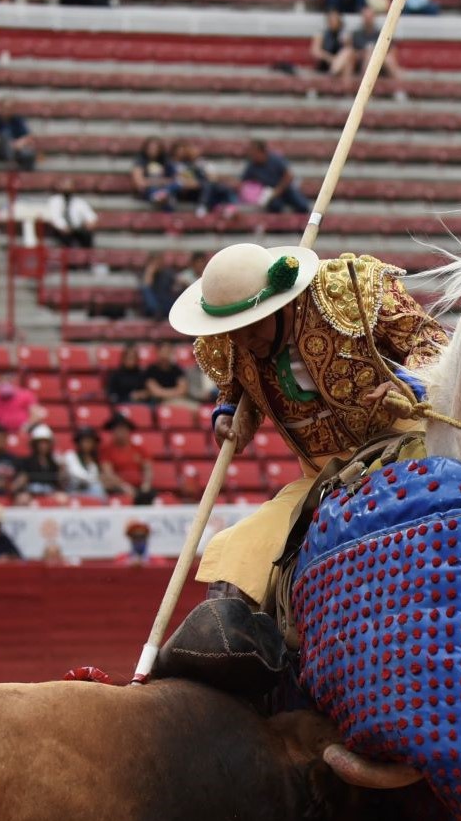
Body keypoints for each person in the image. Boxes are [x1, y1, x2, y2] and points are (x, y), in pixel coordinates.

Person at [170, 241, 445, 605]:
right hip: (320, 479)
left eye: (251, 326)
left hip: (400, 450)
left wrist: (408, 382)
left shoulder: (348, 290)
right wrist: (228, 416)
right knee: (238, 560)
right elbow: (235, 392)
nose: (242, 340)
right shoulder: (232, 343)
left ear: (280, 304)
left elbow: (431, 340)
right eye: (232, 330)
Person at [240, 140, 310, 214]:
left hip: (285, 190)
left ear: (261, 151)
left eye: (253, 153)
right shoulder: (252, 166)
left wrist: (277, 191)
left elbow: (289, 176)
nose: (251, 155)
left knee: (302, 205)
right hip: (269, 194)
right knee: (275, 207)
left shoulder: (275, 160)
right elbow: (243, 182)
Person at [100, 412, 154, 505]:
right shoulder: (107, 450)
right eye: (117, 429)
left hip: (139, 488)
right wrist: (124, 486)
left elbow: (148, 468)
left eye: (123, 429)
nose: (120, 433)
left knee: (149, 496)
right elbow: (108, 473)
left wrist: (146, 485)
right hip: (119, 488)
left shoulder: (139, 449)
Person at [0, 99, 38, 171]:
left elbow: (28, 136)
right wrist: (3, 142)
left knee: (28, 154)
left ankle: (24, 174)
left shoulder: (17, 119)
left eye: (10, 108)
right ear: (1, 108)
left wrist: (19, 143)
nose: (8, 110)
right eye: (6, 108)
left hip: (16, 151)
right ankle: (11, 163)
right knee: (5, 135)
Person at [44, 181, 98, 249]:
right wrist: (63, 227)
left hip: (76, 230)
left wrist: (90, 222)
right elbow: (54, 217)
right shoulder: (54, 201)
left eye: (69, 187)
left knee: (87, 234)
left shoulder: (79, 202)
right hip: (60, 231)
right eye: (65, 187)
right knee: (64, 236)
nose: (67, 190)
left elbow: (90, 215)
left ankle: (87, 253)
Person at [131, 137, 177, 212]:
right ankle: (160, 196)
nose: (153, 150)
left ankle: (162, 195)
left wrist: (150, 181)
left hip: (164, 188)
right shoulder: (140, 161)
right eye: (150, 148)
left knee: (175, 186)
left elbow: (173, 179)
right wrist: (161, 181)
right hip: (149, 190)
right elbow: (140, 183)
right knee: (157, 192)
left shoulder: (165, 160)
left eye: (156, 148)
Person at [18, 424, 64, 497]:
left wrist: (61, 469)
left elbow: (59, 484)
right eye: (40, 442)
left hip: (50, 493)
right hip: (32, 493)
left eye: (46, 442)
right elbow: (21, 482)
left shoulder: (54, 462)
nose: (43, 445)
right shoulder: (27, 462)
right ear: (34, 444)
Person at [60, 426, 106, 500]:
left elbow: (97, 476)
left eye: (89, 441)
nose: (86, 444)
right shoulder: (70, 455)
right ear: (78, 442)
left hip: (91, 490)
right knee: (97, 488)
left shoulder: (94, 459)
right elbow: (77, 474)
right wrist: (96, 480)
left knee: (98, 489)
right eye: (84, 441)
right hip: (73, 490)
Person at [311, 9, 355, 80]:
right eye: (331, 20)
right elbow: (315, 51)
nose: (333, 22)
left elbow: (350, 51)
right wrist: (331, 59)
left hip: (341, 65)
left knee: (348, 54)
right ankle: (334, 74)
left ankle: (334, 74)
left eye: (336, 20)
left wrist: (346, 42)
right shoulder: (321, 34)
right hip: (325, 64)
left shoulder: (344, 34)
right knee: (345, 60)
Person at [139, 251, 180, 319]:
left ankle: (159, 312)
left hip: (166, 304)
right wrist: (150, 273)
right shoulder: (146, 273)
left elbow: (178, 284)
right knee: (146, 291)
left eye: (159, 261)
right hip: (152, 308)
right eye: (155, 262)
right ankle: (157, 311)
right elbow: (146, 288)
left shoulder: (168, 273)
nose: (158, 264)